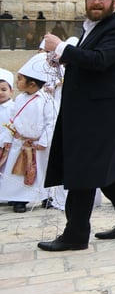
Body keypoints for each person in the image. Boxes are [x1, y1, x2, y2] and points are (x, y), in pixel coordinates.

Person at [37, 0, 115, 252]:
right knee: (105, 163)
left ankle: (75, 234)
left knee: (84, 168)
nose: (96, 1)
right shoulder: (90, 29)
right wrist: (65, 60)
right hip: (91, 109)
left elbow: (100, 60)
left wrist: (62, 48)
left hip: (105, 111)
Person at [0, 53, 56, 212]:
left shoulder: (46, 99)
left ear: (32, 84)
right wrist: (8, 138)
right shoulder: (19, 99)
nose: (17, 83)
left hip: (37, 143)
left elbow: (50, 122)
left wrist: (44, 141)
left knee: (40, 171)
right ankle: (19, 198)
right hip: (20, 142)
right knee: (18, 171)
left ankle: (45, 196)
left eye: (19, 79)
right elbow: (12, 120)